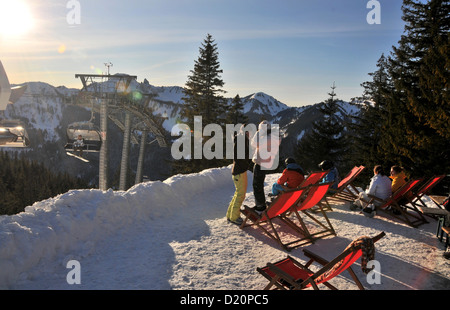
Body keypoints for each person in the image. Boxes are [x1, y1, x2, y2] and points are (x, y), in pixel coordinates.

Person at [226, 126, 254, 225]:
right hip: (240, 171)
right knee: (240, 194)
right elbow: (241, 157)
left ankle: (230, 215)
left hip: (238, 171)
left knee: (238, 193)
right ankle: (234, 217)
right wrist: (249, 160)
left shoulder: (241, 139)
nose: (250, 133)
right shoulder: (242, 141)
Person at [251, 120, 280, 214]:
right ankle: (261, 203)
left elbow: (254, 143)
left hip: (260, 163)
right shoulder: (272, 138)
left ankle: (260, 206)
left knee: (257, 184)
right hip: (265, 162)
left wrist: (259, 132)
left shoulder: (266, 139)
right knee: (259, 183)